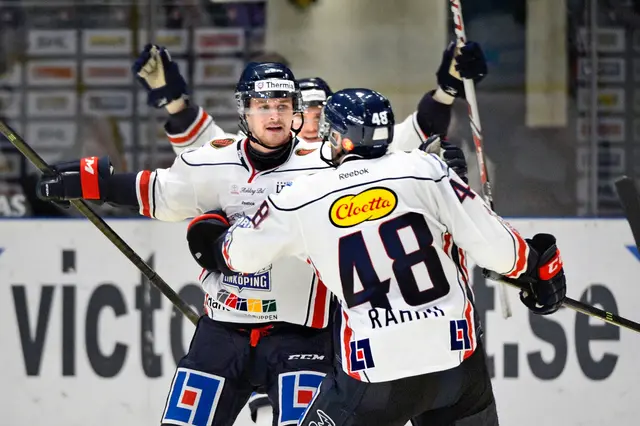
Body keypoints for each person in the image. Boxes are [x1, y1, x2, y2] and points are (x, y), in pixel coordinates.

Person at [196, 89, 567, 426]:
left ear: (340, 138)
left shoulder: (301, 195)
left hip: (376, 371)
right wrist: (540, 269)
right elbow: (503, 252)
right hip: (456, 363)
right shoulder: (425, 169)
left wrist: (212, 240)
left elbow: (239, 254)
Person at [132, 41, 487, 156]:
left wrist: (447, 90)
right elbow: (203, 150)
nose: (315, 119)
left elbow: (419, 130)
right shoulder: (258, 152)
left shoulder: (357, 153)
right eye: (306, 110)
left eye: (323, 110)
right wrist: (174, 101)